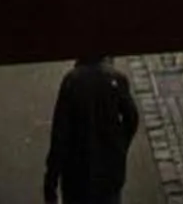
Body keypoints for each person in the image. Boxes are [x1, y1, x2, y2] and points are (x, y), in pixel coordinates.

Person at [43, 55, 140, 204]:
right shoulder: (116, 80)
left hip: (76, 176)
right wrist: (119, 147)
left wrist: (51, 181)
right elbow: (132, 119)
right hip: (109, 175)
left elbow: (59, 136)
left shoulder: (71, 82)